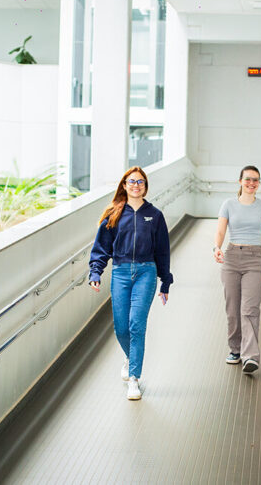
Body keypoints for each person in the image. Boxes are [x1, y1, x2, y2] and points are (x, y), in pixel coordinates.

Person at [89, 166, 173, 400]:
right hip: (121, 273)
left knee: (137, 325)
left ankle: (134, 379)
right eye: (132, 182)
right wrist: (95, 272)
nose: (136, 185)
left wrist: (165, 281)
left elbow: (163, 251)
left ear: (145, 186)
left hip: (146, 272)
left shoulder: (154, 215)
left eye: (141, 182)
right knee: (122, 327)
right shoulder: (113, 214)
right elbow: (101, 247)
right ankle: (129, 357)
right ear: (124, 185)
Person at [213, 165, 261, 375]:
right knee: (233, 310)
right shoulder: (228, 204)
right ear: (240, 181)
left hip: (254, 260)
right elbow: (221, 230)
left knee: (249, 309)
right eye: (247, 179)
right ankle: (235, 350)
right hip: (231, 258)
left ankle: (251, 357)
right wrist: (217, 247)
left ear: (259, 183)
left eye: (255, 180)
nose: (251, 183)